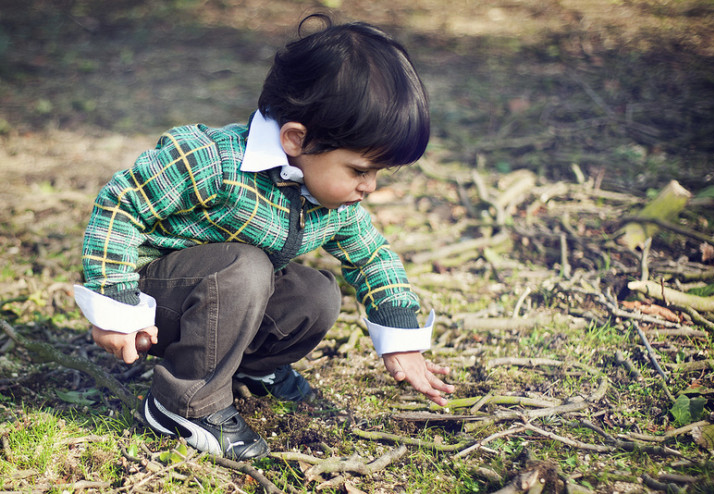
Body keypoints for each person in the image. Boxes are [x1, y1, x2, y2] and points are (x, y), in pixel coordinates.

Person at [74, 13, 454, 461]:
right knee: (247, 267)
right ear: (297, 139)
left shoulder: (332, 201)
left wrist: (402, 341)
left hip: (227, 303)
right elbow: (122, 204)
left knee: (317, 294)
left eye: (377, 173)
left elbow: (373, 259)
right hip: (156, 304)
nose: (369, 186)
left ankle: (251, 369)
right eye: (360, 170)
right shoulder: (212, 159)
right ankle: (184, 404)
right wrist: (115, 305)